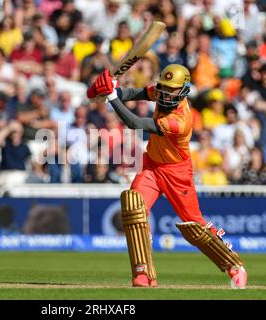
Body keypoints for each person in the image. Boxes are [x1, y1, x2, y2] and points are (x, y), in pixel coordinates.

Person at [87, 64, 247, 288]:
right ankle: (143, 274)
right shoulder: (161, 92)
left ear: (183, 91)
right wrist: (113, 89)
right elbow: (136, 93)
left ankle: (234, 265)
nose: (165, 94)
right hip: (151, 166)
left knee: (195, 227)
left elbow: (135, 123)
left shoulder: (179, 121)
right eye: (163, 88)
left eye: (171, 90)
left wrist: (112, 97)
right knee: (134, 208)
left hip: (177, 172)